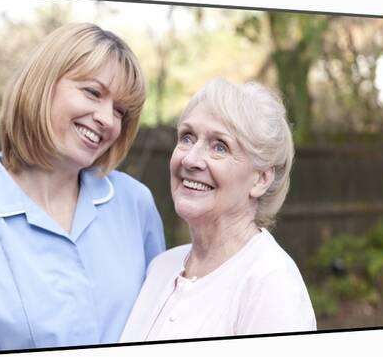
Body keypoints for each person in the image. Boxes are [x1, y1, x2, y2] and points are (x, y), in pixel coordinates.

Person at [0, 23, 166, 353]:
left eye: (120, 111)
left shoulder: (135, 203)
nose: (107, 120)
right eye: (93, 92)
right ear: (43, 85)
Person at [120, 78, 316, 342]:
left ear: (261, 179)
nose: (190, 159)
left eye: (219, 146)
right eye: (187, 138)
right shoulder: (161, 268)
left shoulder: (270, 284)